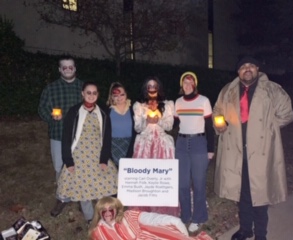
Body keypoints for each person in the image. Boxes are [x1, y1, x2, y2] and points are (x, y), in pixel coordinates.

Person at [212, 56, 293, 240]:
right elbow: (217, 111)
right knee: (243, 194)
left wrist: (268, 128)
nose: (247, 69)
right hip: (236, 151)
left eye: (250, 65)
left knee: (260, 194)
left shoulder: (272, 90)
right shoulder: (228, 91)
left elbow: (287, 114)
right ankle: (245, 229)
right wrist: (220, 124)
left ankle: (260, 234)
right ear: (238, 72)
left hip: (261, 152)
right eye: (242, 67)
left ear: (257, 68)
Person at [57, 82, 118, 224]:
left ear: (98, 95)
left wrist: (104, 159)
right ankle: (90, 218)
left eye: (94, 93)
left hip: (98, 154)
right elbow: (66, 137)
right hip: (78, 155)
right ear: (82, 93)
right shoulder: (74, 111)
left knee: (105, 185)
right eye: (88, 92)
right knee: (83, 187)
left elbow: (107, 137)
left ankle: (106, 216)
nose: (91, 95)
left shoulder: (103, 112)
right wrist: (68, 161)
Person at [38, 56, 83, 217]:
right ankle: (62, 197)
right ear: (60, 70)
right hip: (58, 134)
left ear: (75, 68)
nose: (68, 69)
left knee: (79, 165)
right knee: (60, 167)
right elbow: (42, 109)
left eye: (70, 67)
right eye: (64, 67)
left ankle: (79, 195)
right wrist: (51, 116)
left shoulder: (83, 87)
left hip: (79, 136)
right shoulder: (51, 89)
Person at [129, 76, 178, 216]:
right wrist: (147, 122)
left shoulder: (168, 104)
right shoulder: (138, 105)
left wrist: (158, 121)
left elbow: (169, 125)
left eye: (154, 85)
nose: (152, 87)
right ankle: (143, 210)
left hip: (162, 144)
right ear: (145, 87)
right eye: (149, 85)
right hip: (145, 144)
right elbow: (138, 128)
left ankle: (162, 209)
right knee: (145, 178)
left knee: (162, 177)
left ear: (159, 87)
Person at [174, 72, 215, 233]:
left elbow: (209, 126)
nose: (188, 84)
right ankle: (185, 216)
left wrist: (210, 149)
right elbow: (173, 124)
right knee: (182, 183)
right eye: (185, 82)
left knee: (198, 183)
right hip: (182, 144)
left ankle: (199, 217)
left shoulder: (203, 101)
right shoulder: (178, 102)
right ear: (181, 85)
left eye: (190, 81)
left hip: (199, 143)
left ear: (195, 84)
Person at [88, 196, 213, 240]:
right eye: (104, 210)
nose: (108, 213)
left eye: (111, 209)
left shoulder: (128, 215)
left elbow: (152, 218)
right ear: (99, 212)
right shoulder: (97, 231)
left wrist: (173, 220)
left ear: (116, 209)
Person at [106, 82, 136, 167]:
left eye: (122, 94)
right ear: (112, 97)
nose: (119, 98)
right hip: (113, 146)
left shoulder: (134, 110)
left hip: (131, 145)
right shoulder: (107, 112)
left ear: (126, 95)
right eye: (116, 95)